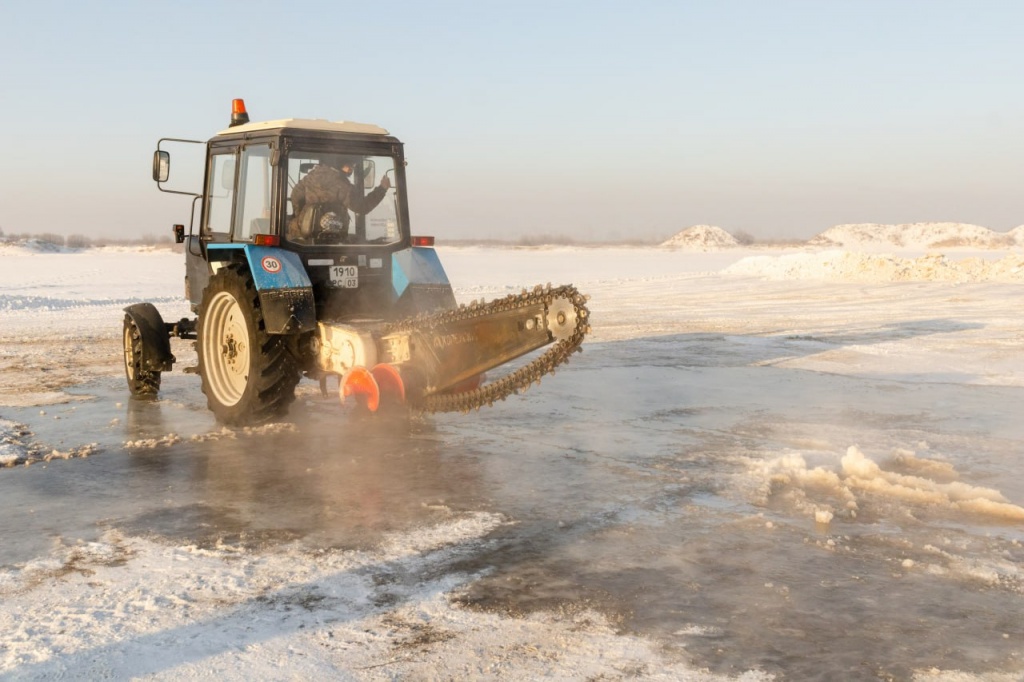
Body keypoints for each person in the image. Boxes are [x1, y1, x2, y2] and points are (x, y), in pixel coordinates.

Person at [288, 157, 391, 244]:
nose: (351, 168)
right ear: (338, 163)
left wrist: (302, 216)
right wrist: (382, 189)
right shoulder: (344, 185)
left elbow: (295, 196)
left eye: (353, 166)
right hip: (335, 237)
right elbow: (362, 207)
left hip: (301, 234)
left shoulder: (310, 177)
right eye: (349, 165)